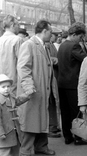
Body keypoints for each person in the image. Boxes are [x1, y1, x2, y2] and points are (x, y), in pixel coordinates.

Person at [17, 20, 58, 156]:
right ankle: (26, 150)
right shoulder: (28, 44)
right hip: (33, 91)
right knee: (31, 121)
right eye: (50, 32)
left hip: (41, 89)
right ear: (44, 31)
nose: (52, 35)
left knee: (41, 118)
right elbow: (23, 67)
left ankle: (41, 146)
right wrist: (29, 87)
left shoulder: (44, 46)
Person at [57, 22, 87, 145]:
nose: (81, 40)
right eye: (80, 37)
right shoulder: (74, 46)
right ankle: (77, 136)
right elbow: (86, 59)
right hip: (73, 84)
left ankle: (67, 136)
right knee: (75, 112)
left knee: (65, 111)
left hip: (62, 83)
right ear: (75, 35)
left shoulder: (62, 45)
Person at [0, 74, 30, 156]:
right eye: (3, 87)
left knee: (15, 150)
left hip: (14, 131)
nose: (6, 89)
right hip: (4, 133)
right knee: (4, 152)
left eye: (8, 86)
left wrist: (27, 95)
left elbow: (18, 101)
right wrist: (1, 133)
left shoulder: (11, 97)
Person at [0, 15, 23, 94]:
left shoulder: (0, 40)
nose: (19, 28)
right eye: (18, 25)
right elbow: (22, 63)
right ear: (12, 25)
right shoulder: (18, 40)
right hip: (13, 84)